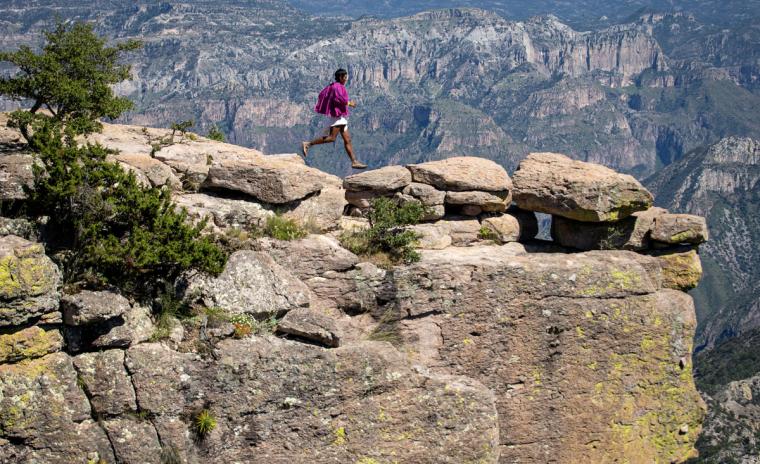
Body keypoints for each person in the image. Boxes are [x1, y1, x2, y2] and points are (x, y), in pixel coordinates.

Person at [301, 68, 367, 169]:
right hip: (336, 117)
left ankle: (354, 162)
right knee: (332, 138)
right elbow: (338, 99)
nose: (346, 79)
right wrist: (349, 103)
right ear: (340, 77)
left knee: (347, 140)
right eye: (345, 77)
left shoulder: (337, 86)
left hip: (339, 117)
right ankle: (308, 144)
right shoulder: (336, 87)